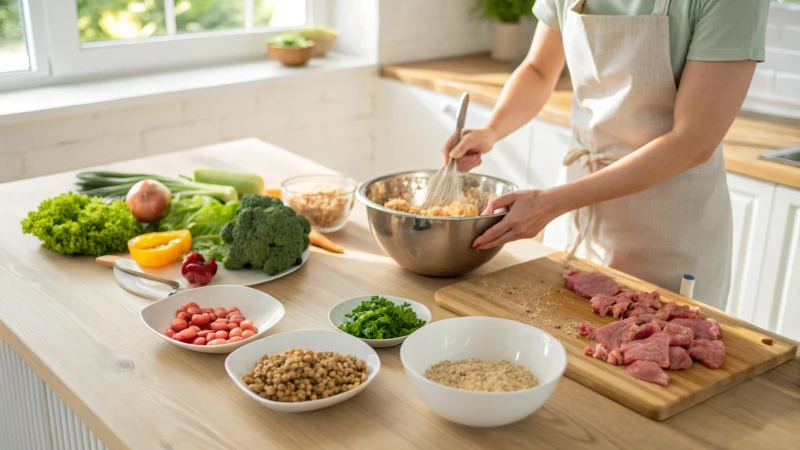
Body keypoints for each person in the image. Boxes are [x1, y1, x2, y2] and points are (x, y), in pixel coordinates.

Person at [443, 0, 769, 309]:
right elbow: (540, 69)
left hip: (668, 226)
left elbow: (692, 142)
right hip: (574, 207)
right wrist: (492, 130)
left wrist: (551, 203)